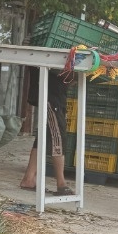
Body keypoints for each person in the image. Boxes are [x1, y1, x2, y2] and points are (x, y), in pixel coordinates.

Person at [19, 67, 74, 195]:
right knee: (58, 136)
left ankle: (29, 179)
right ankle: (61, 183)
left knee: (44, 136)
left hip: (54, 93)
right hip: (50, 94)